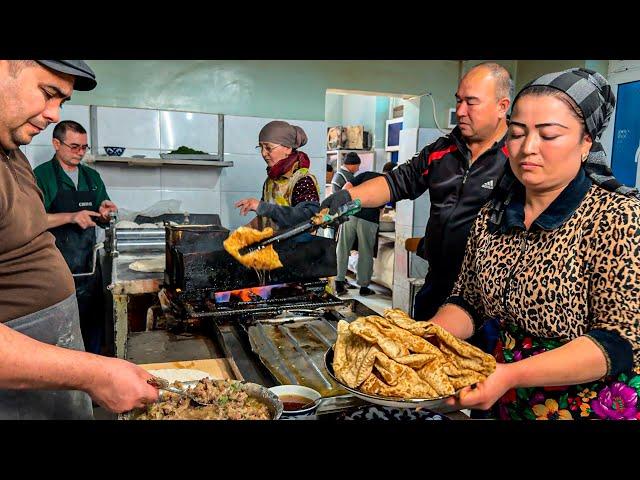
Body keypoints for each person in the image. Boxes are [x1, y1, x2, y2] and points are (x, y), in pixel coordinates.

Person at [432, 68, 640, 420]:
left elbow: (618, 341)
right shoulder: (493, 216)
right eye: (517, 133)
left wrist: (510, 375)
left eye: (549, 135)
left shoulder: (618, 218)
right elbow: (468, 302)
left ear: (586, 142)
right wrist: (424, 336)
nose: (528, 148)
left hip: (588, 405)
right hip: (508, 400)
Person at [0, 60, 158, 419]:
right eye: (47, 92)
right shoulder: (43, 170)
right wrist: (94, 373)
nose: (53, 113)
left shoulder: (12, 154)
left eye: (62, 101)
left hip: (51, 368)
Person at [322, 63, 513, 335]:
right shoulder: (441, 151)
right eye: (459, 101)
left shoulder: (519, 158)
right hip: (436, 284)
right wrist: (346, 196)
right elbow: (395, 182)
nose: (460, 111)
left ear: (502, 106)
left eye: (471, 103)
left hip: (489, 301)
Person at [34, 120, 117, 354]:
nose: (80, 153)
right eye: (74, 147)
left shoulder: (92, 177)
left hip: (89, 267)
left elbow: (102, 213)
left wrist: (105, 211)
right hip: (56, 266)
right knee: (60, 330)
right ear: (56, 144)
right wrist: (71, 216)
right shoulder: (42, 176)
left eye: (84, 147)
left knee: (91, 325)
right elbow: (33, 220)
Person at [235, 120, 320, 230]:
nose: (263, 153)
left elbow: (308, 217)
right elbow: (267, 219)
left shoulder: (303, 180)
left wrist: (261, 207)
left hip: (299, 246)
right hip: (274, 246)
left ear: (288, 148)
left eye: (268, 148)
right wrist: (244, 231)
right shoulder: (270, 181)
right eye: (261, 147)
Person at [335, 161, 395, 296]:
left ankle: (339, 283)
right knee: (365, 251)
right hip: (369, 218)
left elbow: (347, 187)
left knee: (343, 248)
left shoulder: (367, 174)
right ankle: (363, 287)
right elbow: (381, 209)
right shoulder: (389, 184)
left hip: (350, 214)